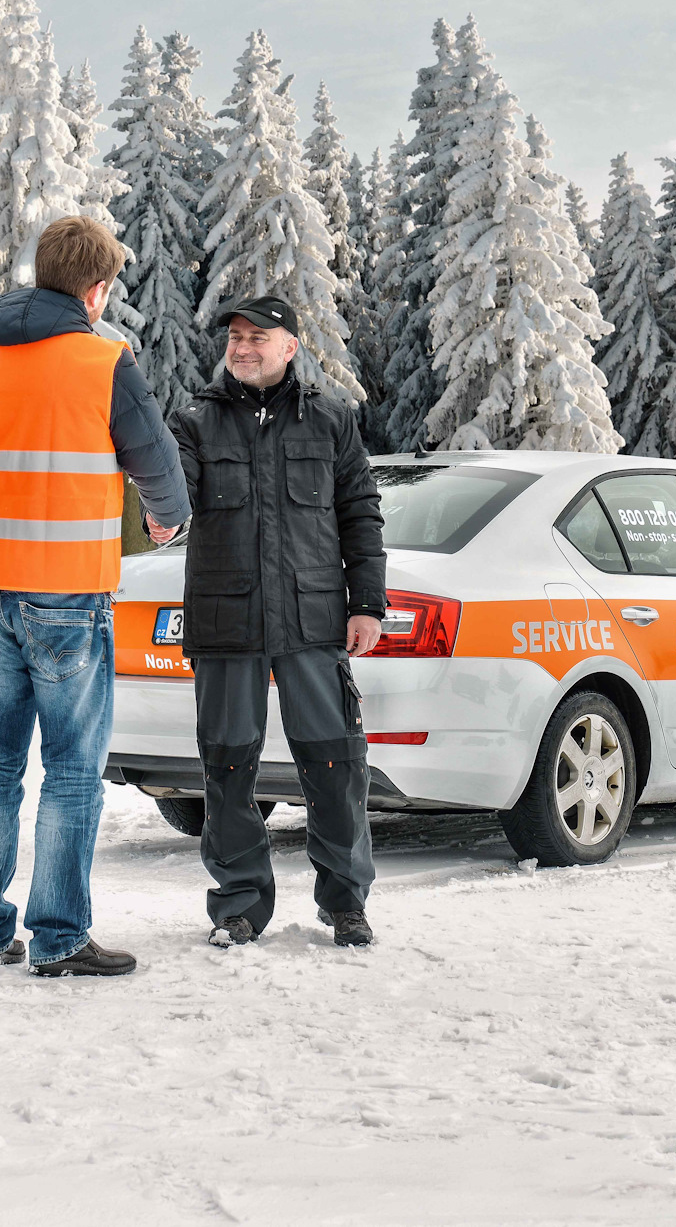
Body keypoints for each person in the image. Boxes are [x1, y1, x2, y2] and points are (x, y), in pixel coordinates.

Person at [0, 216, 189, 977]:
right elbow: (157, 461)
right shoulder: (103, 362)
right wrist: (168, 522)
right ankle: (60, 937)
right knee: (72, 769)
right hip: (68, 595)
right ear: (96, 290)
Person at [167, 297, 386, 949]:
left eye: (256, 337)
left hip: (313, 621)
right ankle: (238, 905)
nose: (242, 347)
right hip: (226, 623)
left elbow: (361, 514)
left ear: (290, 345)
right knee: (228, 770)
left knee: (335, 764)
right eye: (235, 337)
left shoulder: (330, 421)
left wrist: (366, 604)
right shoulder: (194, 424)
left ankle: (346, 902)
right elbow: (170, 496)